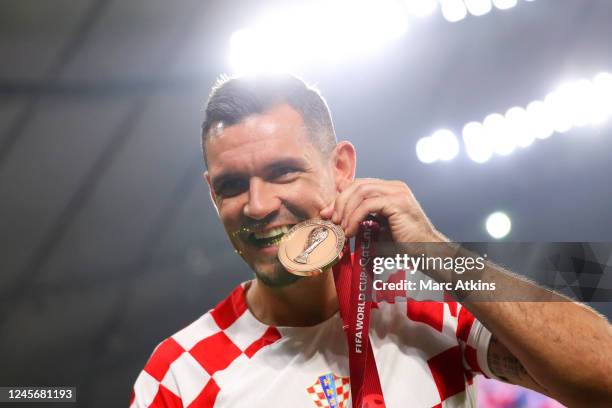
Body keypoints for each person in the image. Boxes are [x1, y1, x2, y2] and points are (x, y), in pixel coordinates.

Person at [130, 74, 612, 407]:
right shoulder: (180, 374)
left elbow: (603, 378)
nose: (256, 205)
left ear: (340, 168)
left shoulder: (428, 307)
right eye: (231, 186)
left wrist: (435, 251)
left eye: (282, 172)